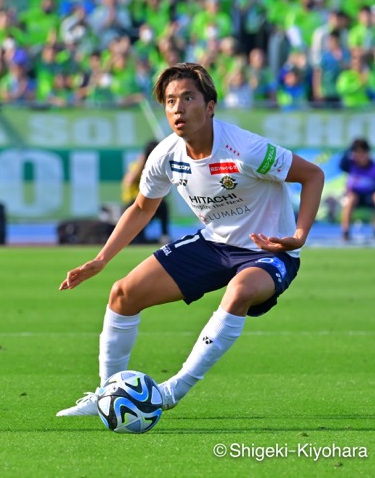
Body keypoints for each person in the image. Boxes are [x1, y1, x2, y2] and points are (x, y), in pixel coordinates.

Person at [56, 63, 324, 417]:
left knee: (241, 291)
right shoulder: (166, 155)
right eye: (169, 101)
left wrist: (298, 236)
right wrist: (102, 259)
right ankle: (109, 396)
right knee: (122, 293)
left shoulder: (246, 148)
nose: (177, 108)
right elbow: (141, 208)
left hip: (267, 251)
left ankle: (173, 390)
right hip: (214, 245)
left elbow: (313, 175)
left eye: (187, 98)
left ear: (209, 106)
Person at [121, 139, 170, 244]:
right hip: (133, 202)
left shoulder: (159, 168)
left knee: (163, 205)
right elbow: (128, 182)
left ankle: (164, 235)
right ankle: (139, 238)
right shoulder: (136, 166)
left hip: (151, 201)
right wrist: (141, 163)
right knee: (138, 238)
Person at [339, 138, 375, 241]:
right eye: (357, 152)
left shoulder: (373, 167)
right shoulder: (350, 164)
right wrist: (350, 148)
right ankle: (345, 232)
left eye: (363, 152)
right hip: (355, 196)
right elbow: (341, 163)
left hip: (369, 196)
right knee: (351, 199)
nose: (361, 156)